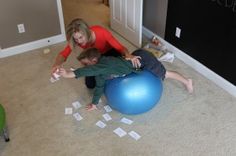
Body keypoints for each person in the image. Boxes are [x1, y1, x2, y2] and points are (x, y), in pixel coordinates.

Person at [58, 48, 193, 111]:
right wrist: (94, 103)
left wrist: (68, 74)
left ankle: (187, 81)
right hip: (132, 61)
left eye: (85, 64)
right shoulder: (100, 73)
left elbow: (87, 71)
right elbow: (99, 87)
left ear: (94, 61)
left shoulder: (105, 64)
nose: (84, 67)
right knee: (98, 80)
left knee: (164, 75)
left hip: (143, 60)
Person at [51, 18, 140, 88]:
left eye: (81, 37)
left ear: (87, 31)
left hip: (109, 53)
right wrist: (57, 64)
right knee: (90, 85)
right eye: (76, 39)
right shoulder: (75, 40)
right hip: (93, 56)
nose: (79, 41)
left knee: (123, 66)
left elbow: (120, 47)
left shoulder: (101, 32)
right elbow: (63, 54)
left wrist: (128, 55)